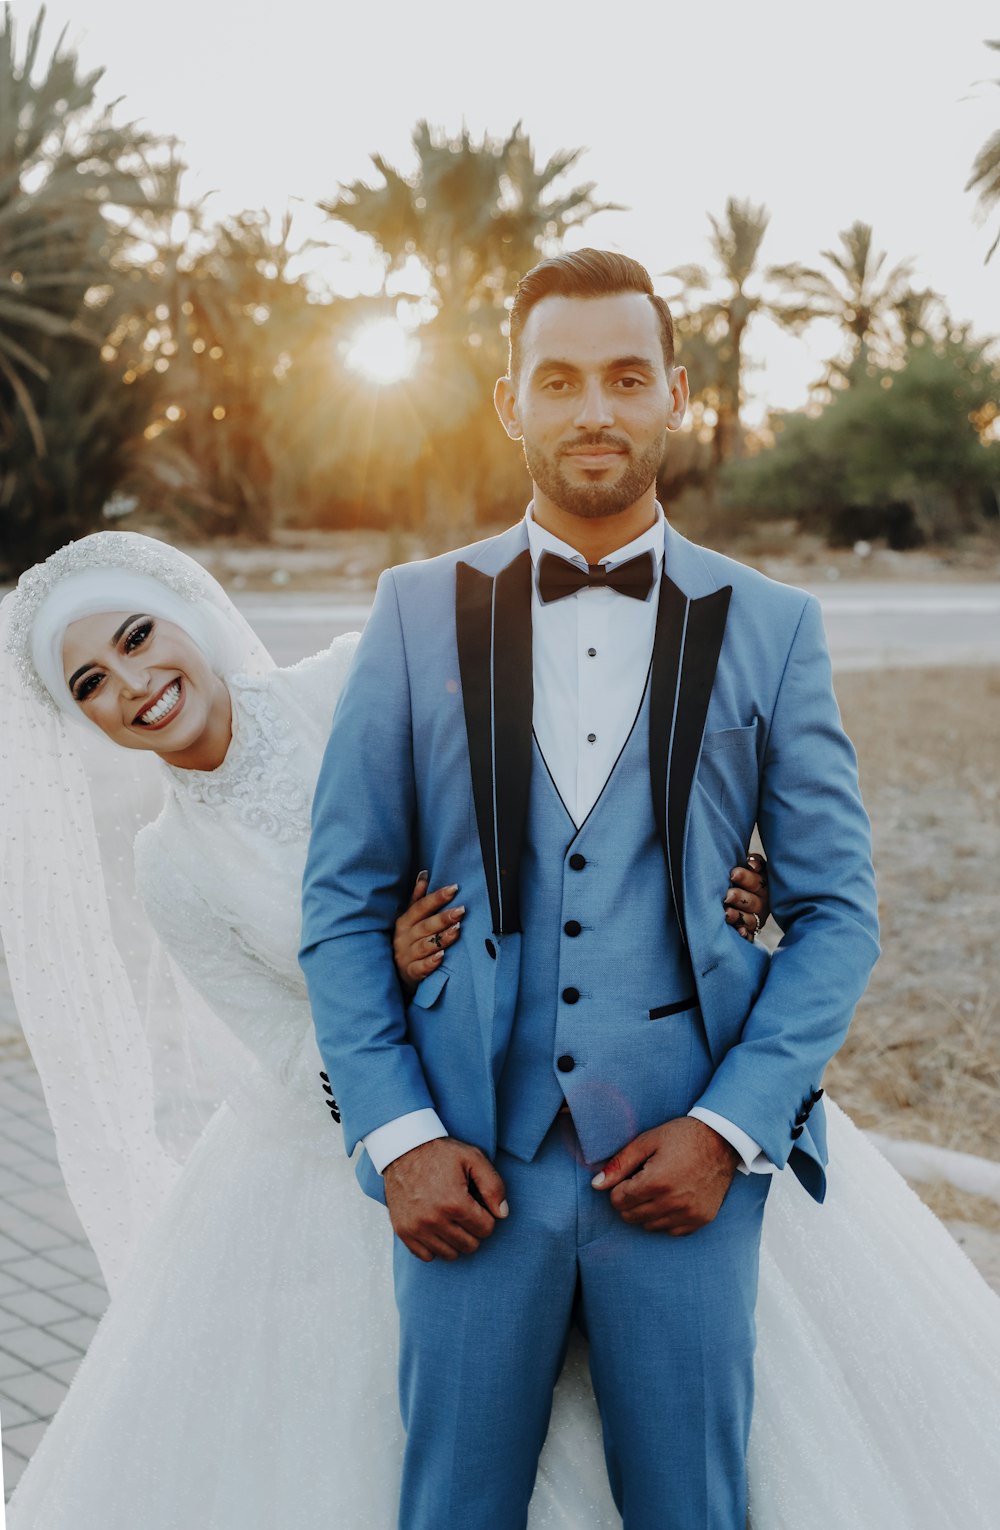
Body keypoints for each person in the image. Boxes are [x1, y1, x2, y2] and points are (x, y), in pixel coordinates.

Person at [300, 249, 1000, 1529]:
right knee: (449, 1507)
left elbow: (837, 913)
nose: (594, 411)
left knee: (693, 1507)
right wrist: (397, 1137)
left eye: (627, 377)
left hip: (685, 1164)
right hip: (468, 1167)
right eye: (558, 380)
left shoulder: (773, 624)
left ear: (677, 393)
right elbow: (341, 904)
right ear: (510, 402)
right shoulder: (413, 612)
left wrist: (733, 1130)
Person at [0, 530, 768, 1527]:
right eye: (93, 683)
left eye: (140, 637)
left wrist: (705, 880)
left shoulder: (357, 676)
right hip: (401, 1148)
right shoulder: (171, 866)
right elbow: (281, 1049)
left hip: (589, 1081)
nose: (135, 683)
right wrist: (385, 982)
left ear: (187, 615)